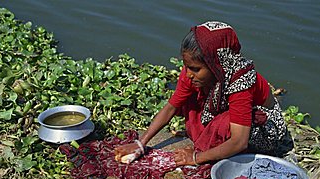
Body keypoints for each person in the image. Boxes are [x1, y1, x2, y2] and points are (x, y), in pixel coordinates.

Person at [115, 21, 293, 166]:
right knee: (188, 99)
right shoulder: (192, 73)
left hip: (263, 128)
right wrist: (141, 143)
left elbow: (240, 141)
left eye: (195, 69)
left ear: (216, 64)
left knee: (226, 124)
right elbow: (171, 107)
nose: (188, 73)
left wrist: (194, 158)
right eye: (187, 66)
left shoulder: (240, 80)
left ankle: (207, 148)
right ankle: (207, 141)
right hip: (226, 112)